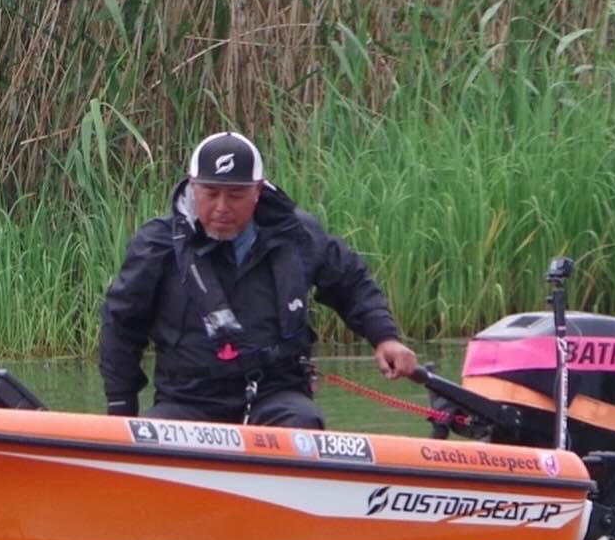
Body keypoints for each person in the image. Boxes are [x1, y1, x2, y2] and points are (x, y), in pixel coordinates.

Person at [99, 130, 419, 427]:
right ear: (192, 186)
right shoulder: (157, 245)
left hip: (276, 394)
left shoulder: (297, 235)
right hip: (187, 400)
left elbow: (351, 283)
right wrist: (121, 410)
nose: (222, 208)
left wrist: (384, 337)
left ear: (257, 191)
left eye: (236, 196)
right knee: (159, 435)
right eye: (211, 193)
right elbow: (120, 326)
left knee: (303, 424)